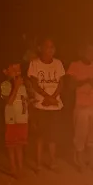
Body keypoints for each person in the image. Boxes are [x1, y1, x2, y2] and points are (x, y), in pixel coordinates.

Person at [27, 38, 65, 171]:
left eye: (52, 47)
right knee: (40, 135)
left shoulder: (58, 63)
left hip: (55, 104)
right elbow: (34, 84)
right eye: (47, 47)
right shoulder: (35, 64)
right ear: (40, 48)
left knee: (53, 135)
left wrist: (53, 98)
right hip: (40, 104)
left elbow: (61, 83)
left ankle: (52, 161)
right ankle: (38, 162)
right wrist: (47, 97)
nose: (50, 50)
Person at [67, 43, 93, 170]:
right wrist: (86, 81)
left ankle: (91, 158)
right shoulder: (75, 66)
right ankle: (79, 158)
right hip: (81, 105)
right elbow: (71, 85)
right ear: (82, 52)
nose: (91, 54)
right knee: (81, 132)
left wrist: (87, 82)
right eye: (88, 51)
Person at [1, 62, 29, 177]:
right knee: (11, 145)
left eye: (18, 70)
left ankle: (20, 168)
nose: (17, 72)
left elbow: (25, 101)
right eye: (13, 69)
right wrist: (16, 86)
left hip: (22, 119)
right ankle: (13, 167)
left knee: (20, 145)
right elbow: (9, 102)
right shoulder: (6, 84)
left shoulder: (23, 86)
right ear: (5, 71)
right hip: (11, 119)